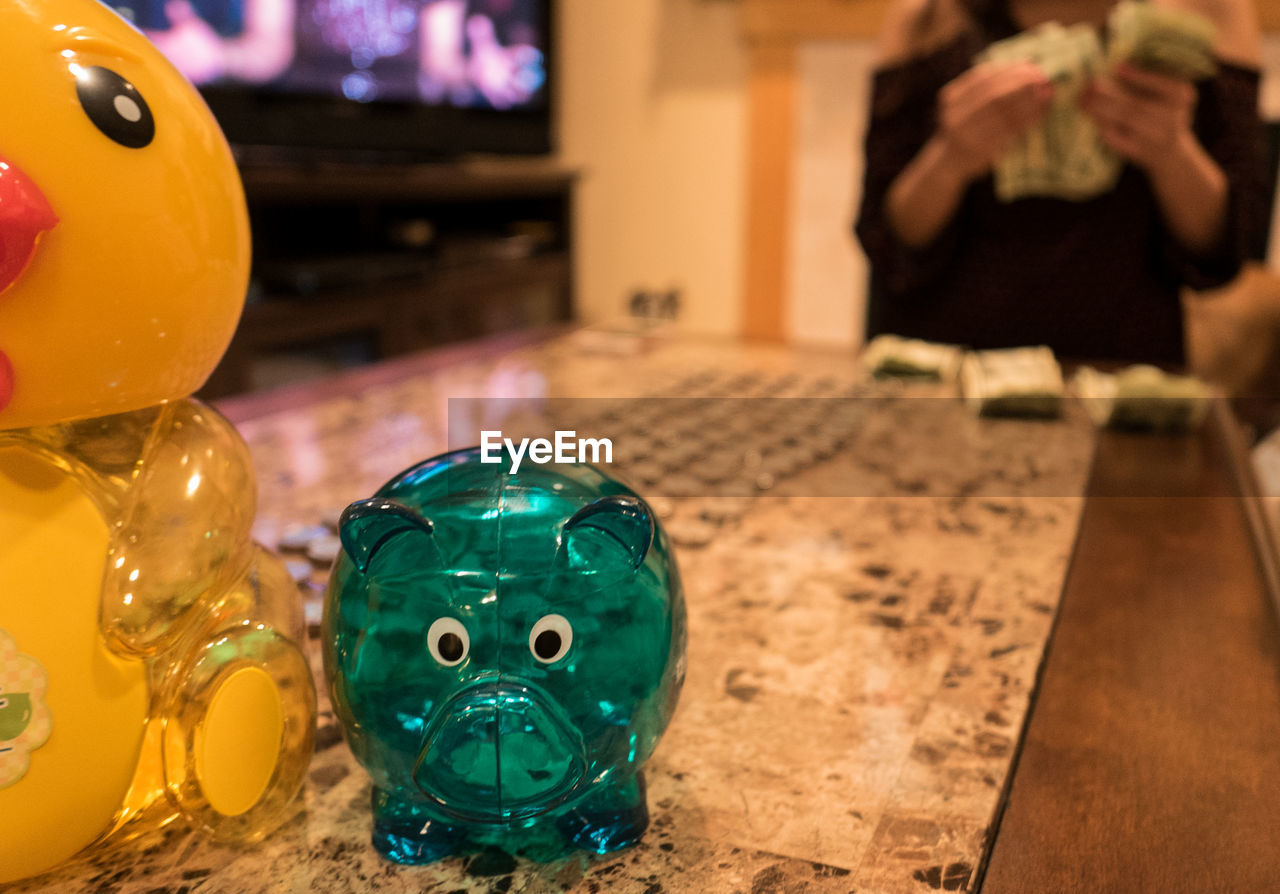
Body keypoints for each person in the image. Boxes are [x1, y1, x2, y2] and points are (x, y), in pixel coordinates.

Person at [854, 0, 1267, 366]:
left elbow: (1229, 246)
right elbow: (886, 242)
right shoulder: (927, 15)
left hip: (1123, 373)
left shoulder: (1206, 11)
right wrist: (950, 158)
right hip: (946, 373)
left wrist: (1172, 152)